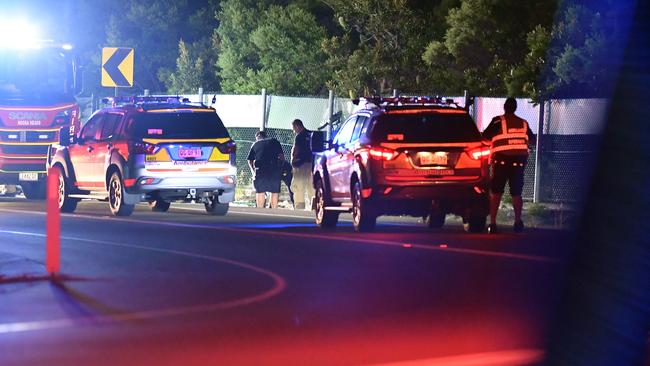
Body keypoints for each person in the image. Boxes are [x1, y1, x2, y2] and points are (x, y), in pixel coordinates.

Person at [482, 97, 536, 234]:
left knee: (496, 192)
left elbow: (485, 137)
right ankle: (517, 222)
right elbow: (533, 140)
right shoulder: (523, 123)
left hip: (500, 161)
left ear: (505, 107)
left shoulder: (497, 121)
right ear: (515, 108)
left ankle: (492, 223)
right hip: (518, 162)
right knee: (516, 193)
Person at [247, 130, 284, 208]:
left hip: (260, 169)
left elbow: (250, 160)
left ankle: (260, 211)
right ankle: (273, 211)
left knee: (260, 191)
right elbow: (281, 157)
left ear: (258, 137)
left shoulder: (255, 144)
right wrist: (279, 168)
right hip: (274, 168)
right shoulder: (275, 141)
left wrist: (253, 171)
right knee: (274, 191)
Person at [290, 119, 314, 210]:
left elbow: (296, 150)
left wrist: (293, 160)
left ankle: (299, 207)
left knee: (299, 186)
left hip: (301, 164)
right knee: (311, 186)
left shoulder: (299, 136)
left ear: (296, 126)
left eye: (293, 128)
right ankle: (314, 206)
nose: (294, 131)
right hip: (312, 164)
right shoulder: (311, 134)